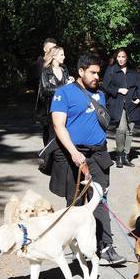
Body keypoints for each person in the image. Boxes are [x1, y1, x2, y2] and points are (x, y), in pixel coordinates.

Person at [49, 52, 126, 265]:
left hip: (98, 154)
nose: (96, 77)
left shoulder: (100, 95)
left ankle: (106, 247)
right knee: (75, 204)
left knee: (100, 199)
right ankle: (77, 251)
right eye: (92, 73)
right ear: (81, 71)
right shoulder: (63, 94)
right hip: (73, 155)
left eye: (98, 73)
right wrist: (74, 153)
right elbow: (58, 126)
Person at [102, 48, 140, 168]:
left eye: (123, 57)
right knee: (121, 130)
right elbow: (105, 86)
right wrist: (118, 90)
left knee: (130, 130)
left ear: (127, 58)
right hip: (117, 103)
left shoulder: (132, 71)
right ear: (116, 57)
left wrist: (139, 98)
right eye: (119, 57)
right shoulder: (111, 70)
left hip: (132, 104)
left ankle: (126, 156)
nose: (121, 59)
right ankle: (119, 156)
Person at [36, 46, 73, 144]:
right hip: (51, 109)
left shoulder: (64, 70)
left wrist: (71, 83)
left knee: (64, 134)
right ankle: (48, 157)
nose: (64, 57)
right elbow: (45, 90)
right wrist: (64, 87)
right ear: (54, 56)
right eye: (62, 55)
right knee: (51, 137)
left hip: (65, 107)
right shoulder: (46, 72)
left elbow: (68, 88)